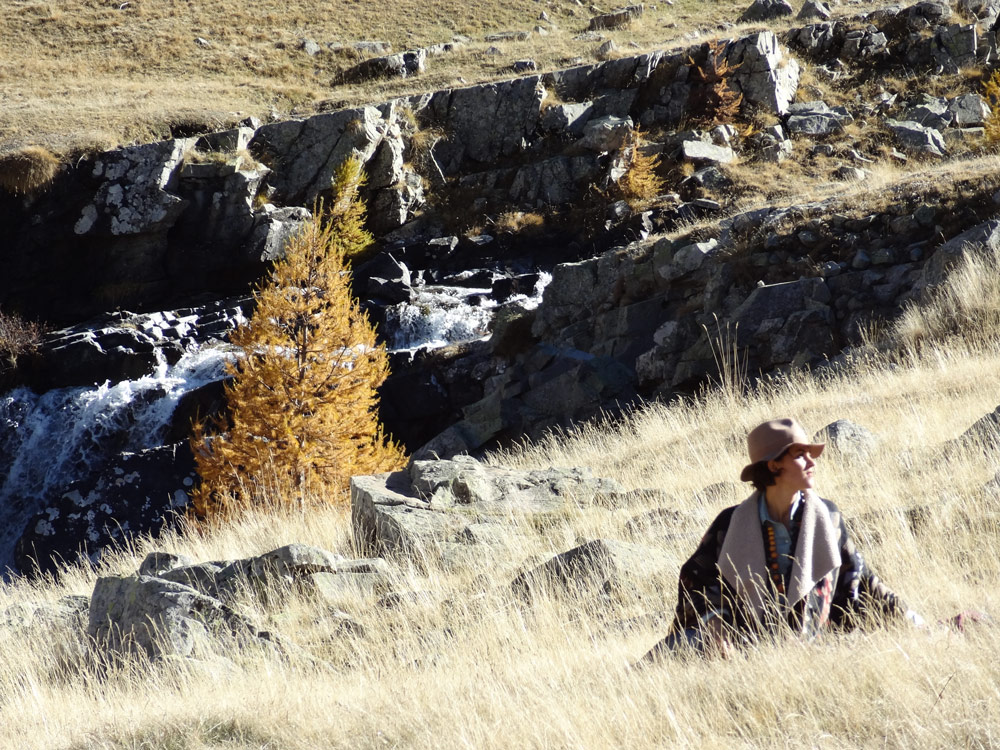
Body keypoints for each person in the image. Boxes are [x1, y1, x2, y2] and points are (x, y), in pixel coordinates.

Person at [644, 417, 923, 659]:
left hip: (813, 648)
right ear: (774, 466)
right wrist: (714, 624)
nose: (812, 462)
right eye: (800, 455)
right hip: (741, 647)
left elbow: (861, 580)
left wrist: (916, 624)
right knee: (669, 652)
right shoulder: (729, 524)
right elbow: (695, 582)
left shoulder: (828, 516)